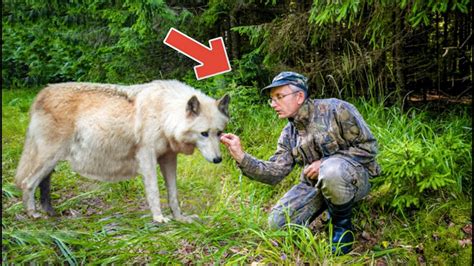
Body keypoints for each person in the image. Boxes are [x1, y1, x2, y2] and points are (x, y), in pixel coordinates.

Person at [220, 71, 380, 255]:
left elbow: (368, 148)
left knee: (331, 170)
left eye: (279, 97)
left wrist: (325, 162)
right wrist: (241, 155)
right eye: (271, 99)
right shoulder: (289, 134)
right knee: (277, 224)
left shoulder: (336, 109)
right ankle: (330, 205)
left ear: (300, 96)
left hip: (356, 179)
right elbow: (275, 172)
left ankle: (342, 229)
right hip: (316, 185)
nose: (273, 104)